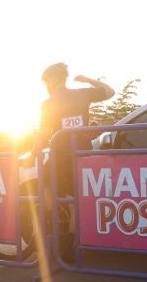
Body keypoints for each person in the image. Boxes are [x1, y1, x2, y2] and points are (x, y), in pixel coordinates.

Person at [33, 62, 115, 261]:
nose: (46, 87)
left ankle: (60, 232)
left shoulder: (49, 103)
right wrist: (88, 80)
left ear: (53, 80)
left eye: (46, 82)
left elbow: (43, 134)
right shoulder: (81, 94)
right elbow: (110, 91)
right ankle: (68, 242)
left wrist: (31, 154)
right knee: (73, 201)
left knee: (42, 185)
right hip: (81, 153)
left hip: (60, 156)